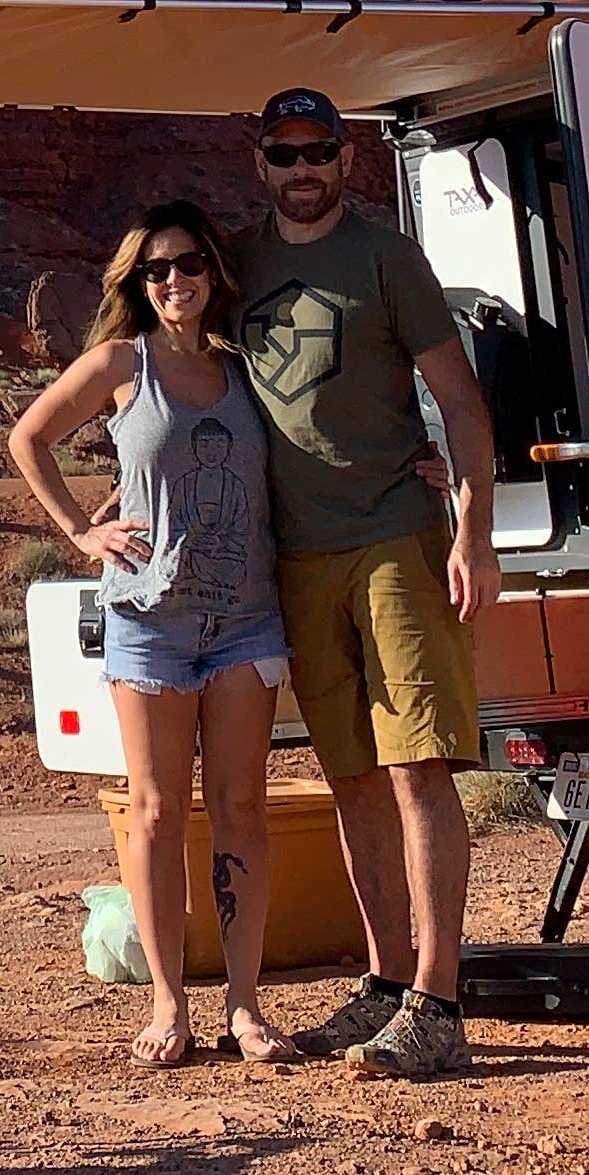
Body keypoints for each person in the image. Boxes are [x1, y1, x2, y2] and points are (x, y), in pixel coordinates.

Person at [232, 88, 500, 1080]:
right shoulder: (234, 263)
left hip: (395, 540)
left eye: (319, 151)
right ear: (259, 162)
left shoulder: (388, 259)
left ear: (348, 159)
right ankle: (387, 986)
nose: (303, 168)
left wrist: (474, 532)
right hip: (296, 557)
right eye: (284, 152)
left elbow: (461, 403)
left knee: (416, 768)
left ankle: (438, 999)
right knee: (351, 778)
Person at [6, 202, 292, 1069]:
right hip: (149, 621)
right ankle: (171, 1003)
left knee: (241, 806)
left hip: (244, 616)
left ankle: (244, 1005)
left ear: (215, 272)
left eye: (190, 263)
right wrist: (80, 533)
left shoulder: (248, 367)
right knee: (158, 809)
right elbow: (29, 437)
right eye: (156, 271)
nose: (176, 281)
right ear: (137, 285)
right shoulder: (120, 364)